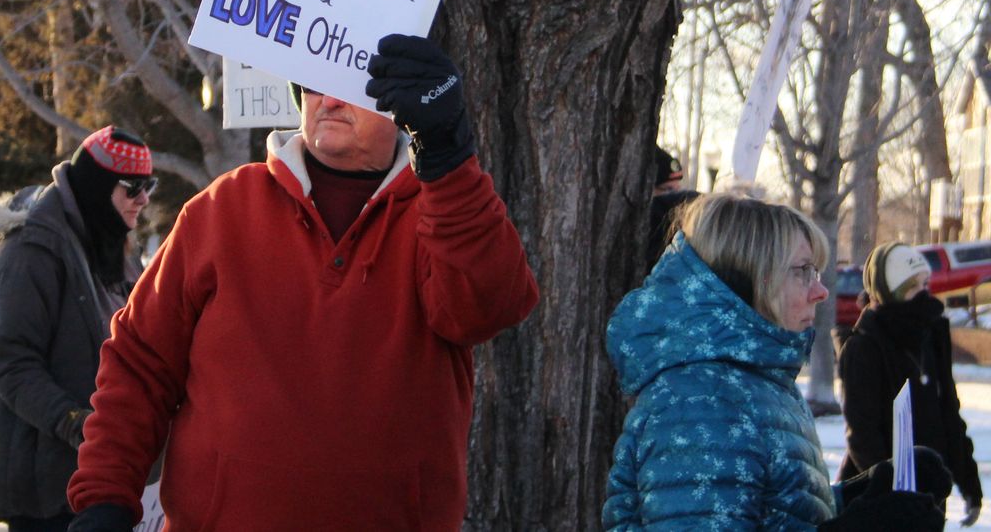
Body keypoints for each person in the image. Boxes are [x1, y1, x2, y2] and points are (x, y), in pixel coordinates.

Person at [66, 34, 539, 530]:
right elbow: (140, 362)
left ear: (399, 99)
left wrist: (449, 156)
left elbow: (491, 307)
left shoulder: (443, 211)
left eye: (352, 83)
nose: (328, 99)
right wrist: (106, 495)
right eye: (314, 82)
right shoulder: (224, 207)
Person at [602, 192, 951, 530]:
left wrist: (864, 495)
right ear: (754, 277)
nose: (820, 291)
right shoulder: (701, 404)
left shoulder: (750, 383)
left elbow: (771, 511)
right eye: (802, 271)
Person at [0, 125, 158, 531]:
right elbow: (12, 364)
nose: (144, 199)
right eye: (132, 188)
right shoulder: (31, 250)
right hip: (42, 483)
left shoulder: (113, 247)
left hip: (100, 471)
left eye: (149, 185)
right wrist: (77, 421)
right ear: (98, 189)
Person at [838, 241, 983, 527]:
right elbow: (862, 435)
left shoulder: (930, 334)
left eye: (925, 283)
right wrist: (891, 496)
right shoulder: (864, 346)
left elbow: (949, 414)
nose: (923, 293)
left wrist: (969, 480)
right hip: (881, 498)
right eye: (912, 286)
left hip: (931, 488)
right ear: (890, 290)